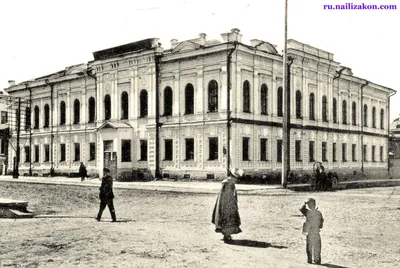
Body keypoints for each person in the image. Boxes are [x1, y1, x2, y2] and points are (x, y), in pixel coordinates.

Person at [211, 167, 244, 242]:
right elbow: (228, 195)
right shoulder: (228, 183)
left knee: (227, 219)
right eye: (236, 178)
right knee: (227, 219)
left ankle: (226, 235)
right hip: (227, 204)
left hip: (227, 203)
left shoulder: (229, 182)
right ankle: (226, 235)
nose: (237, 180)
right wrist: (232, 204)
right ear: (233, 176)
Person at [300, 198, 324, 265]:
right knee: (317, 246)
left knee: (309, 246)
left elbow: (301, 209)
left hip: (310, 231)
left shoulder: (308, 212)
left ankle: (310, 260)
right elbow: (321, 223)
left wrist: (305, 203)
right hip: (316, 231)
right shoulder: (318, 213)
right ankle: (317, 260)